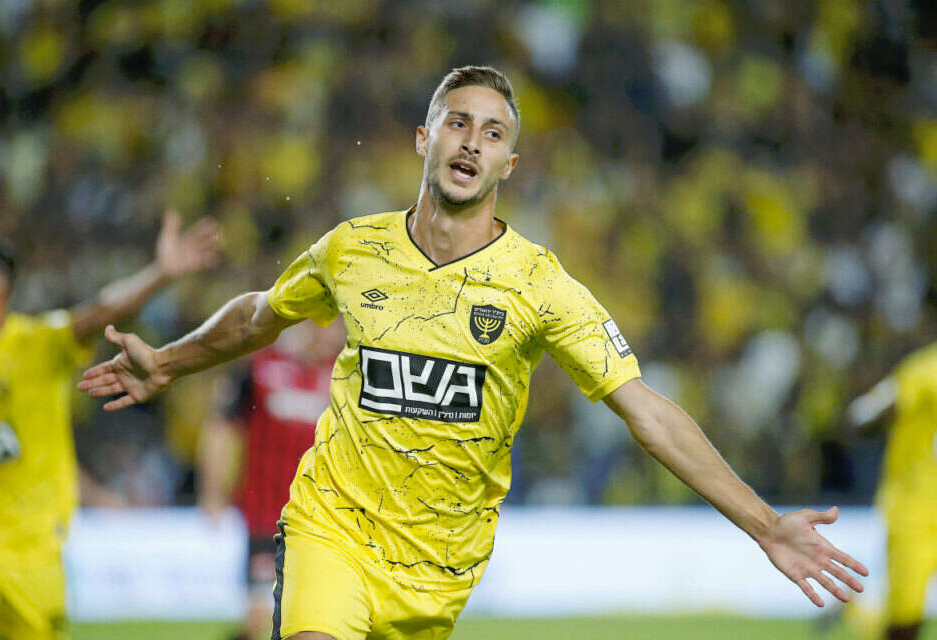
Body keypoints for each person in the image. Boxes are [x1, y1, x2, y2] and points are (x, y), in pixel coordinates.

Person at [79, 66, 868, 640]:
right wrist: (168, 362)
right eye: (458, 122)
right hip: (330, 528)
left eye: (494, 134)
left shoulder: (539, 285)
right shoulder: (353, 250)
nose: (473, 142)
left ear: (508, 166)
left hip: (439, 569)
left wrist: (765, 524)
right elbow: (260, 315)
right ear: (425, 139)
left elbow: (648, 414)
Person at [0, 211, 220, 640]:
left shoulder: (36, 343)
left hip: (34, 543)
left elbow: (102, 310)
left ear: (1, 294)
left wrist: (161, 275)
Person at [199, 321, 345, 640]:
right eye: (331, 325)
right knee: (259, 618)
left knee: (317, 620)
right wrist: (212, 491)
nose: (337, 334)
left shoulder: (344, 373)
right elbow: (222, 427)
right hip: (267, 517)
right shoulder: (259, 366)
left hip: (324, 520)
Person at [848, 343, 937, 640]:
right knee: (905, 619)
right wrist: (881, 409)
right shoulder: (925, 369)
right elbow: (864, 415)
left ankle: (859, 610)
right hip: (917, 513)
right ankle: (861, 612)